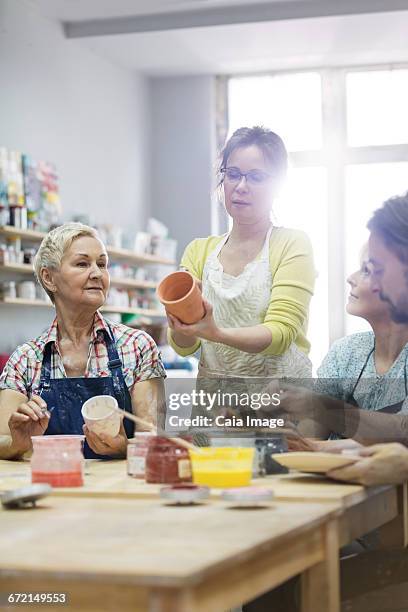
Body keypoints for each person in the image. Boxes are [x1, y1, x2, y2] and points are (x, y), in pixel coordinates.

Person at [0, 223, 166, 460]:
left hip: (120, 490)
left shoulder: (137, 346)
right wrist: (18, 443)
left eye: (102, 264)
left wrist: (123, 448)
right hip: (54, 486)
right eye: (82, 263)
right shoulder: (25, 360)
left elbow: (155, 439)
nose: (97, 273)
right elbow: (2, 440)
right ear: (49, 278)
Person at [167, 126, 315, 381]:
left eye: (256, 177)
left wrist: (216, 333)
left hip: (281, 404)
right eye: (233, 174)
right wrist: (180, 319)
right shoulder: (198, 252)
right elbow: (184, 346)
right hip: (216, 407)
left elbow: (281, 333)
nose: (241, 186)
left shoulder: (292, 244)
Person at [289, 245, 408, 454]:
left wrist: (317, 408)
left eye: (367, 271)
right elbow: (311, 432)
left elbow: (402, 436)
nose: (351, 278)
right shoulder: (346, 351)